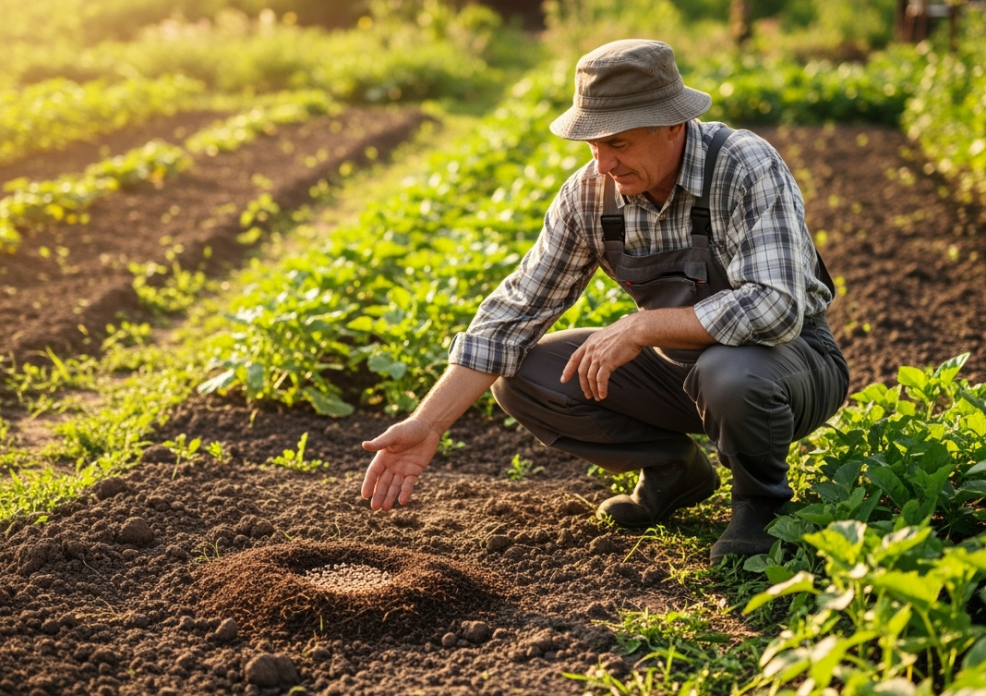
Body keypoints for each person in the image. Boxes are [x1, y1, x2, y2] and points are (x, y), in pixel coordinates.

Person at [360, 39, 849, 563]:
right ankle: (673, 470)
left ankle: (760, 503)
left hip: (789, 364)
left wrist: (640, 328)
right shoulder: (590, 194)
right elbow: (516, 310)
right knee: (522, 374)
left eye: (618, 142)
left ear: (672, 126)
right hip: (677, 372)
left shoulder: (742, 166)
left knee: (729, 373)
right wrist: (429, 423)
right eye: (592, 144)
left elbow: (775, 307)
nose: (603, 164)